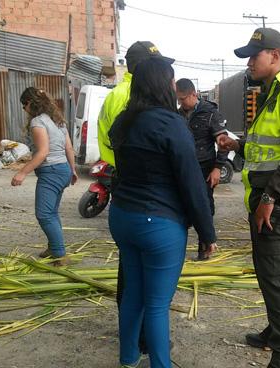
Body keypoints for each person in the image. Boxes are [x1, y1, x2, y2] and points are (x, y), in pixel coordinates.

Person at [108, 58, 216, 368]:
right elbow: (191, 182)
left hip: (123, 217)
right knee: (155, 305)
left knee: (133, 296)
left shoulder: (123, 122)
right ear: (161, 85)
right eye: (171, 81)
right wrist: (207, 232)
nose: (174, 87)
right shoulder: (170, 123)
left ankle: (128, 359)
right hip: (158, 224)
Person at [219, 28, 280, 368]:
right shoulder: (271, 92)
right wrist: (238, 145)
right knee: (266, 271)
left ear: (274, 55)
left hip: (276, 198)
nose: (249, 63)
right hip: (264, 195)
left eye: (253, 56)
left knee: (277, 275)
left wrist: (270, 199)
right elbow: (267, 146)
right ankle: (276, 332)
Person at [97, 40, 175, 355]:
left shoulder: (118, 95)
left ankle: (132, 346)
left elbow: (110, 140)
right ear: (143, 68)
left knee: (132, 269)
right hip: (139, 188)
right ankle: (142, 339)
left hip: (124, 185)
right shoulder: (129, 97)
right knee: (139, 282)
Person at [11, 87, 78, 266]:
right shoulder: (57, 120)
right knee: (51, 212)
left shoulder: (38, 122)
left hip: (51, 171)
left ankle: (60, 256)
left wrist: (21, 173)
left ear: (30, 103)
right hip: (62, 169)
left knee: (44, 215)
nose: (24, 110)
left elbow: (43, 152)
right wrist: (72, 170)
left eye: (24, 105)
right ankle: (54, 248)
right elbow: (69, 148)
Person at [176, 78, 226, 261]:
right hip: (183, 169)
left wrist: (217, 168)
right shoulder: (177, 115)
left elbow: (222, 142)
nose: (181, 103)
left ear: (193, 94)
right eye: (178, 100)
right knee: (181, 207)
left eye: (183, 99)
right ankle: (176, 249)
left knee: (204, 206)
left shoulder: (211, 113)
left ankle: (205, 247)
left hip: (205, 169)